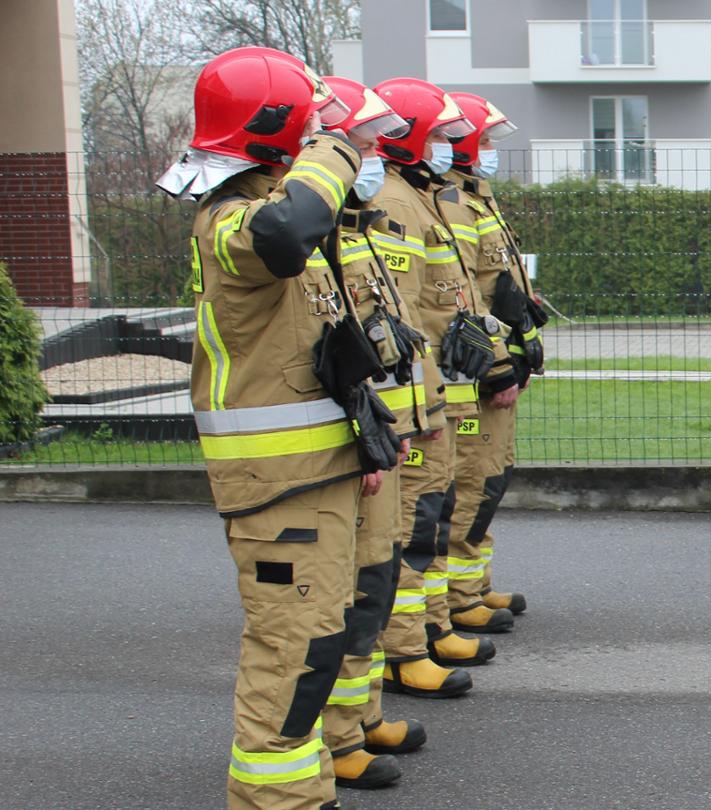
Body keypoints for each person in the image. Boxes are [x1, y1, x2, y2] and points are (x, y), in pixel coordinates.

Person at [157, 45, 400, 810]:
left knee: (319, 643)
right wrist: (336, 141)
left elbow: (316, 350)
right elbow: (287, 231)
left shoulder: (265, 205)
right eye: (307, 129)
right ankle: (274, 798)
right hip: (278, 485)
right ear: (276, 132)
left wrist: (366, 433)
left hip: (315, 472)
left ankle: (303, 790)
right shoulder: (231, 220)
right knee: (292, 651)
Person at [314, 73, 436, 792]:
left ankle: (357, 719)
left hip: (377, 433)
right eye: (360, 144)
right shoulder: (311, 239)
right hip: (342, 447)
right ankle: (336, 734)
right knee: (348, 592)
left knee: (377, 576)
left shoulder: (360, 230)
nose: (373, 159)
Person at [367, 76, 494, 696]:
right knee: (409, 528)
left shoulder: (422, 196)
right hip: (408, 401)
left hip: (431, 395)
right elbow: (404, 315)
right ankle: (405, 649)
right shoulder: (396, 200)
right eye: (442, 135)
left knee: (431, 517)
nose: (454, 146)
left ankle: (430, 626)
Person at [444, 90, 540, 616]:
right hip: (476, 373)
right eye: (483, 142)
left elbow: (498, 283)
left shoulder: (475, 196)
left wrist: (526, 330)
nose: (491, 151)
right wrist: (500, 362)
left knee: (490, 479)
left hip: (495, 361)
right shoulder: (453, 204)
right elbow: (465, 294)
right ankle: (458, 599)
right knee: (470, 484)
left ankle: (475, 584)